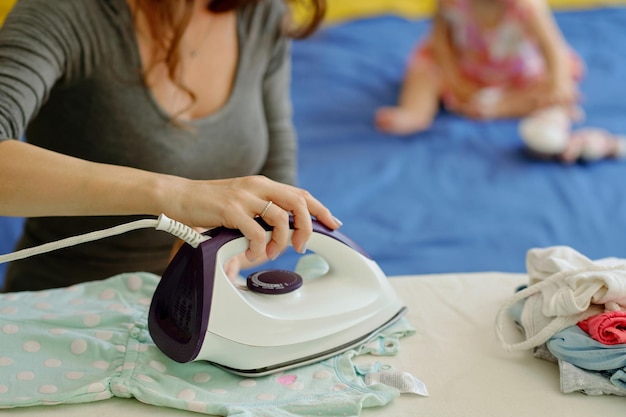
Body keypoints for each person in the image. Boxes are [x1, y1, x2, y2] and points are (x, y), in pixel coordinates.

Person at [0, 0, 341, 292]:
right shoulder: (63, 12)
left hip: (194, 310)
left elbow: (276, 179)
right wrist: (180, 196)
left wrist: (230, 248)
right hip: (66, 305)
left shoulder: (260, 12)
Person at [375, 0, 583, 135]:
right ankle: (416, 111)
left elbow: (553, 49)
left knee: (555, 88)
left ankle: (499, 107)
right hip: (467, 70)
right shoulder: (451, 3)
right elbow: (440, 43)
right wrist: (453, 78)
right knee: (423, 69)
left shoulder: (527, 7)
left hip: (518, 75)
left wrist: (558, 84)